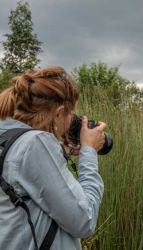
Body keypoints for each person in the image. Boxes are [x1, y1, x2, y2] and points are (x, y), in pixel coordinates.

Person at [0, 66, 106, 250]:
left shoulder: (8, 138)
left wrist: (59, 151)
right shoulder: (35, 143)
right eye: (71, 115)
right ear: (58, 114)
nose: (71, 122)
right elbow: (84, 221)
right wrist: (89, 151)